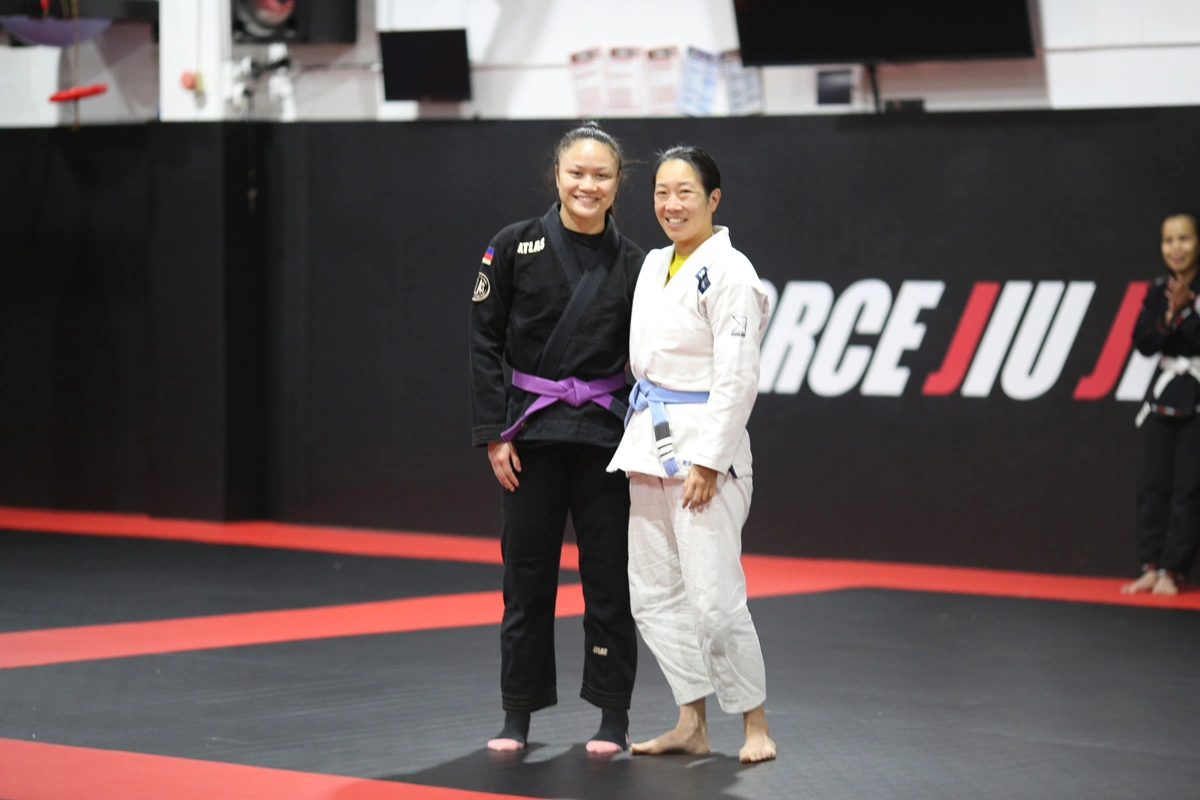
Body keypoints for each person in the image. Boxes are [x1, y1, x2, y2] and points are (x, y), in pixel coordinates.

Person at [468, 123, 644, 754]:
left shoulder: (636, 264)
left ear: (618, 183)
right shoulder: (514, 245)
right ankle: (517, 714)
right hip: (531, 433)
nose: (587, 185)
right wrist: (494, 433)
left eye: (601, 175)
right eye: (577, 173)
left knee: (609, 578)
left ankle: (613, 716)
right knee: (526, 576)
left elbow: (652, 359)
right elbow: (484, 341)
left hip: (606, 436)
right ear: (558, 176)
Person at [607, 146, 777, 763]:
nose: (671, 205)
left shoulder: (732, 272)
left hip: (705, 446)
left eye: (685, 192)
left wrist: (709, 458)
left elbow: (738, 375)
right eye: (661, 192)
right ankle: (691, 722)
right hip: (647, 442)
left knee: (713, 597)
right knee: (653, 593)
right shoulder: (655, 263)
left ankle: (756, 725)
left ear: (713, 199)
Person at [1123, 211, 1200, 596]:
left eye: (1184, 238)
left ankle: (1174, 569)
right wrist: (1169, 315)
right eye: (1168, 240)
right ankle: (1151, 565)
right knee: (1153, 485)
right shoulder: (1157, 291)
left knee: (1188, 488)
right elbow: (1144, 342)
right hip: (1165, 395)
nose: (1176, 248)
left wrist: (1185, 311)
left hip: (1197, 397)